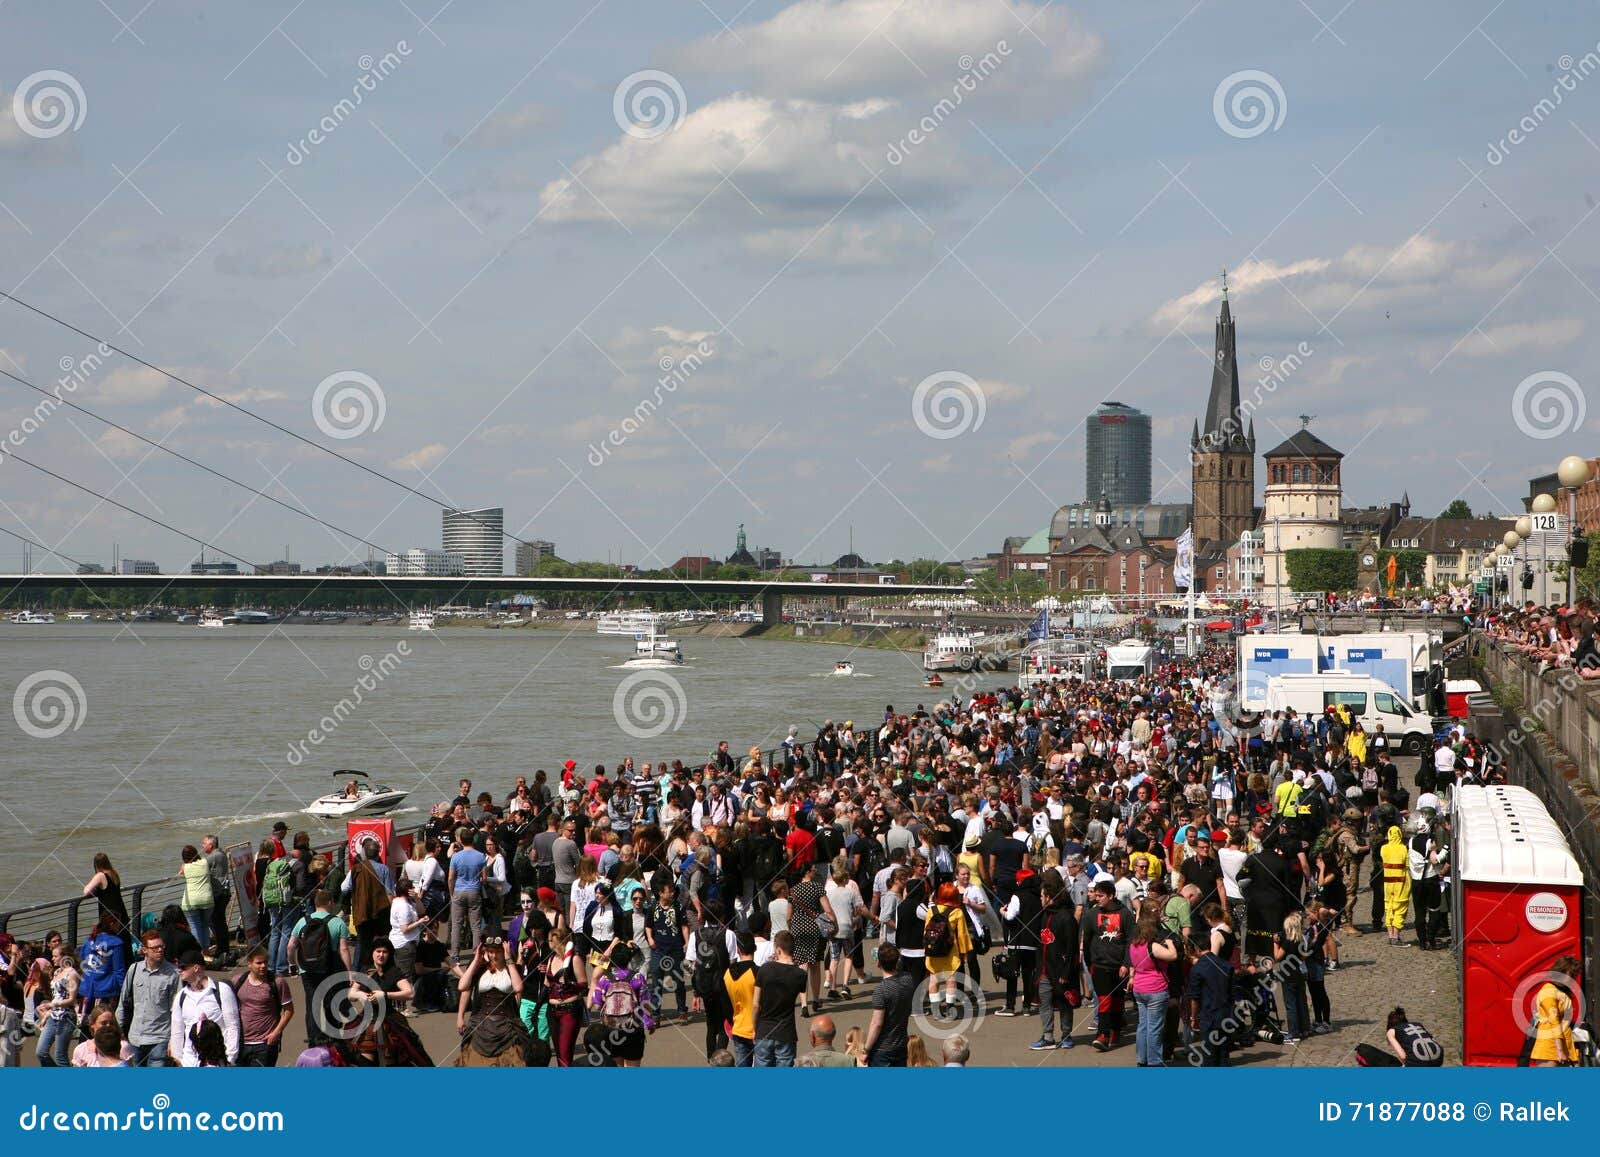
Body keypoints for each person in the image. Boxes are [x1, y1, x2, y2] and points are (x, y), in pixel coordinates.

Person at [287, 889, 353, 1048]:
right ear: (330, 903)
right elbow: (343, 949)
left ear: (315, 904)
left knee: (312, 1006)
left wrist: (292, 964)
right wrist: (349, 973)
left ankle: (313, 1042)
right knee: (332, 1003)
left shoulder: (303, 921)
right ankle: (333, 1040)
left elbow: (291, 946)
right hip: (330, 970)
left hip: (308, 970)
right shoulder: (337, 922)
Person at [456, 935, 535, 1066]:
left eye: (498, 951)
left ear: (504, 950)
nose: (494, 955)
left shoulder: (513, 969)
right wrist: (476, 960)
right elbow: (462, 986)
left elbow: (518, 988)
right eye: (491, 951)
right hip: (481, 1024)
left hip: (507, 1025)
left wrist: (509, 959)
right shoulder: (481, 970)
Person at [1081, 878, 1135, 1051]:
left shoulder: (1125, 914)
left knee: (1118, 1001)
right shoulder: (1091, 914)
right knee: (1104, 999)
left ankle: (1115, 1031)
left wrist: (1126, 963)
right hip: (1099, 964)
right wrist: (1089, 962)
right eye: (1096, 895)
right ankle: (1102, 1034)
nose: (1097, 898)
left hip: (1119, 966)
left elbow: (1131, 941)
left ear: (1111, 896)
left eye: (1101, 896)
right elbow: (1087, 940)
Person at [118, 928, 181, 1066]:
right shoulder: (134, 970)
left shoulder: (173, 974)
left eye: (161, 947)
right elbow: (122, 1003)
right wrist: (118, 1032)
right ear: (144, 950)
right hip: (135, 1038)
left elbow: (176, 1011)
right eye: (155, 948)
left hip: (160, 1039)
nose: (159, 950)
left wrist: (173, 1041)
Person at [1128, 897, 1178, 1066]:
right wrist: (1170, 943)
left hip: (1139, 988)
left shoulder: (1134, 945)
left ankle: (1141, 1059)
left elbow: (1133, 966)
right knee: (1155, 1028)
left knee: (1143, 1025)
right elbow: (1173, 956)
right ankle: (1155, 1061)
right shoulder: (1153, 946)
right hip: (1156, 989)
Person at [1033, 871, 1079, 1051]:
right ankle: (1047, 1037)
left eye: (1042, 896)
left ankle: (1066, 1035)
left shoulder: (1067, 918)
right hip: (1045, 969)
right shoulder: (1044, 915)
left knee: (1064, 1002)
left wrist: (1066, 972)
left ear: (1050, 897)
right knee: (1045, 1002)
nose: (1040, 899)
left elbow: (1071, 948)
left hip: (1061, 972)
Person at [169, 949, 240, 1067]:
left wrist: (230, 1059)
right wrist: (177, 1061)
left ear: (196, 968)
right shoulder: (180, 997)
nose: (179, 970)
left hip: (216, 1062)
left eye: (183, 967)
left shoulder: (222, 990)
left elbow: (232, 1026)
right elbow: (177, 1032)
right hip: (189, 1063)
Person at [589, 943, 655, 1067]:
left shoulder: (605, 979)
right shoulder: (637, 978)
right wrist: (649, 1023)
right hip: (633, 1030)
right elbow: (645, 1003)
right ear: (629, 959)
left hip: (610, 1030)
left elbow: (597, 1004)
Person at [751, 929, 806, 1066]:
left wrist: (754, 1028)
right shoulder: (800, 975)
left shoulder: (764, 969)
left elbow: (756, 1005)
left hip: (764, 1030)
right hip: (786, 1032)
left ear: (778, 949)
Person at [231, 946, 294, 1067]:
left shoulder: (278, 982)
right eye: (258, 963)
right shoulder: (237, 981)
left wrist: (276, 1032)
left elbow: (289, 1010)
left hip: (265, 1044)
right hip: (241, 1043)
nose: (263, 966)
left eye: (265, 962)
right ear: (249, 964)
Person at [923, 880, 972, 1019]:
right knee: (951, 980)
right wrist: (964, 953)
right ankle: (950, 1009)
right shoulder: (957, 912)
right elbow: (962, 935)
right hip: (950, 951)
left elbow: (926, 931)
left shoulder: (931, 910)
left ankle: (936, 1011)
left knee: (934, 980)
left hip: (933, 951)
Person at [861, 942, 915, 1067]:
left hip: (882, 1049)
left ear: (878, 963)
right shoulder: (908, 979)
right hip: (901, 1044)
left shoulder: (881, 990)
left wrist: (866, 1050)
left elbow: (877, 1024)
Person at [1523, 955, 1582, 1066]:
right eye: (1571, 974)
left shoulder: (1561, 992)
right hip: (1550, 1049)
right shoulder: (1549, 991)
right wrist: (1560, 1051)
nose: (1573, 978)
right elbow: (1554, 1022)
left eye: (1575, 975)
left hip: (1562, 1047)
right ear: (1561, 972)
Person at [1184, 938, 1233, 1067]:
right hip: (1225, 1015)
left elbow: (1194, 998)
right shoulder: (1225, 965)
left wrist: (1193, 1017)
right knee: (1223, 1055)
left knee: (1209, 1056)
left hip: (1208, 1016)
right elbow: (1231, 992)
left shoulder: (1197, 969)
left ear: (1196, 949)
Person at [542, 927, 586, 1067]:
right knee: (559, 1054)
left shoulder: (575, 959)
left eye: (551, 941)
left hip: (569, 1010)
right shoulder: (551, 958)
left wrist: (570, 984)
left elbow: (584, 984)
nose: (549, 944)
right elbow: (546, 983)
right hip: (552, 1010)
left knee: (565, 1052)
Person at [448, 829, 488, 965]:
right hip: (475, 891)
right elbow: (484, 878)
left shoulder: (456, 856)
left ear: (460, 840)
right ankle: (476, 953)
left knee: (456, 925)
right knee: (475, 925)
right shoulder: (481, 856)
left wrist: (451, 892)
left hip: (459, 891)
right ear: (473, 839)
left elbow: (451, 878)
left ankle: (455, 955)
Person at [34, 948, 79, 1067]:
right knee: (41, 1052)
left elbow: (71, 999)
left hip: (66, 1016)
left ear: (64, 957)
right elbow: (56, 996)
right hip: (53, 1016)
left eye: (55, 956)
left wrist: (52, 1004)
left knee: (60, 1056)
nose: (52, 959)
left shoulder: (72, 974)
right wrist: (47, 1011)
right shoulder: (57, 972)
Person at [1354, 1007, 1445, 1066]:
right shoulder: (1418, 1024)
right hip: (1438, 1059)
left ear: (1390, 1023)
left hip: (1418, 1063)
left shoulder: (1391, 1031)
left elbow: (1403, 1056)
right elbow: (1432, 1041)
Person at [722, 931, 759, 1066]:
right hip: (758, 1029)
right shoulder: (758, 973)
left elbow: (725, 1003)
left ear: (738, 950)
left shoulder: (727, 973)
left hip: (738, 1027)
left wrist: (732, 1022)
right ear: (755, 948)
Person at [82, 853, 130, 947]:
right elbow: (109, 890)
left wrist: (96, 891)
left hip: (109, 917)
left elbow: (86, 891)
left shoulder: (100, 875)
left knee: (110, 944)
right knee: (123, 944)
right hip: (121, 913)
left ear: (96, 864)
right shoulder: (114, 873)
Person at [1378, 825, 1412, 946]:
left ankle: (1390, 936)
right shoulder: (1403, 848)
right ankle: (1396, 937)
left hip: (1388, 882)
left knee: (1389, 907)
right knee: (1400, 907)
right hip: (1401, 882)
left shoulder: (1383, 848)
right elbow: (1407, 865)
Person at [178, 845, 214, 954]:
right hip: (207, 900)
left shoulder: (185, 867)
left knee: (194, 927)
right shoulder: (204, 863)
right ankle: (206, 950)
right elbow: (202, 858)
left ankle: (197, 953)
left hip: (191, 901)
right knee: (205, 925)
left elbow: (180, 873)